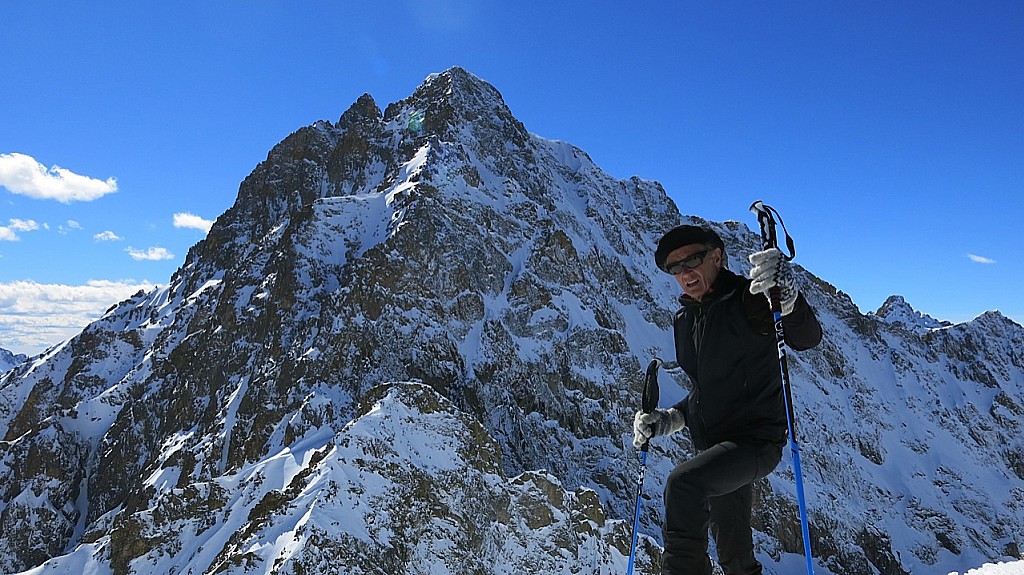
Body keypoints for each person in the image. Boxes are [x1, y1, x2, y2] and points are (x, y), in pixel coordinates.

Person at [633, 224, 822, 575]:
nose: (685, 272)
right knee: (735, 557)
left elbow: (807, 337)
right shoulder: (685, 318)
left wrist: (790, 300)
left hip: (755, 442)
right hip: (714, 449)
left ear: (717, 257)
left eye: (693, 259)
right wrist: (670, 419)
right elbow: (705, 389)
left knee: (683, 484)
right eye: (675, 267)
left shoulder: (751, 297)